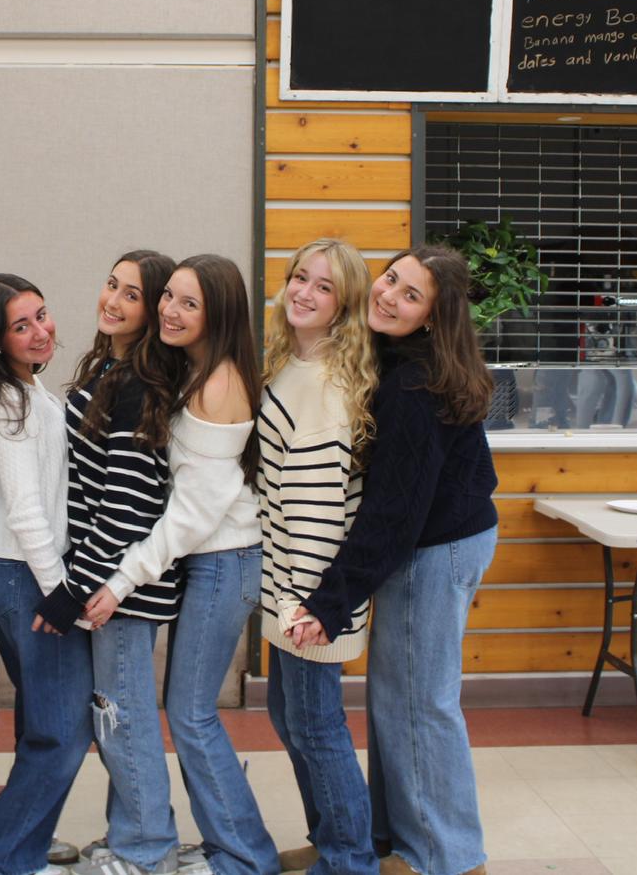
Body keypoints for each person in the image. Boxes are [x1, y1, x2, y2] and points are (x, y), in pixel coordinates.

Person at [292, 245, 499, 875]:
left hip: (437, 548)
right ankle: (386, 840)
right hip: (434, 539)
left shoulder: (414, 384)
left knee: (420, 701)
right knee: (395, 697)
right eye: (391, 280)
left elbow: (394, 514)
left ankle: (447, 857)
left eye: (410, 296)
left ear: (434, 318)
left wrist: (331, 601)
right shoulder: (396, 357)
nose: (388, 296)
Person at [84, 254, 277, 875]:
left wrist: (121, 578)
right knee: (187, 713)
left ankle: (245, 857)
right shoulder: (196, 371)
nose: (169, 310)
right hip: (210, 562)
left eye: (188, 303)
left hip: (226, 563)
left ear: (217, 316)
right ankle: (231, 847)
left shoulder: (219, 382)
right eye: (168, 296)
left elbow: (192, 514)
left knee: (192, 717)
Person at [37, 249, 185, 875]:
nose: (112, 300)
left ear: (152, 313)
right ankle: (130, 836)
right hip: (106, 581)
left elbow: (124, 507)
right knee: (113, 715)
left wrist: (77, 588)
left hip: (118, 589)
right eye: (110, 284)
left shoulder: (136, 386)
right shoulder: (109, 368)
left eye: (131, 294)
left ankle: (147, 851)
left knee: (122, 720)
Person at [0, 274, 91, 875]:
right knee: (63, 732)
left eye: (42, 315)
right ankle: (3, 857)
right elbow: (25, 506)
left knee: (44, 723)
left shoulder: (32, 391)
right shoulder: (7, 402)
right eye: (22, 325)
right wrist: (58, 588)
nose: (41, 331)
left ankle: (23, 842)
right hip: (25, 575)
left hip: (22, 572)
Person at [256, 240, 379, 875]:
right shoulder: (290, 365)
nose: (303, 292)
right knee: (292, 718)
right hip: (289, 589)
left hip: (307, 595)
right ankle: (332, 837)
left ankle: (349, 859)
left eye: (322, 287)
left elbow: (315, 518)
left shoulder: (327, 389)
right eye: (299, 277)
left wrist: (304, 608)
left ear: (345, 306)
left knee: (316, 727)